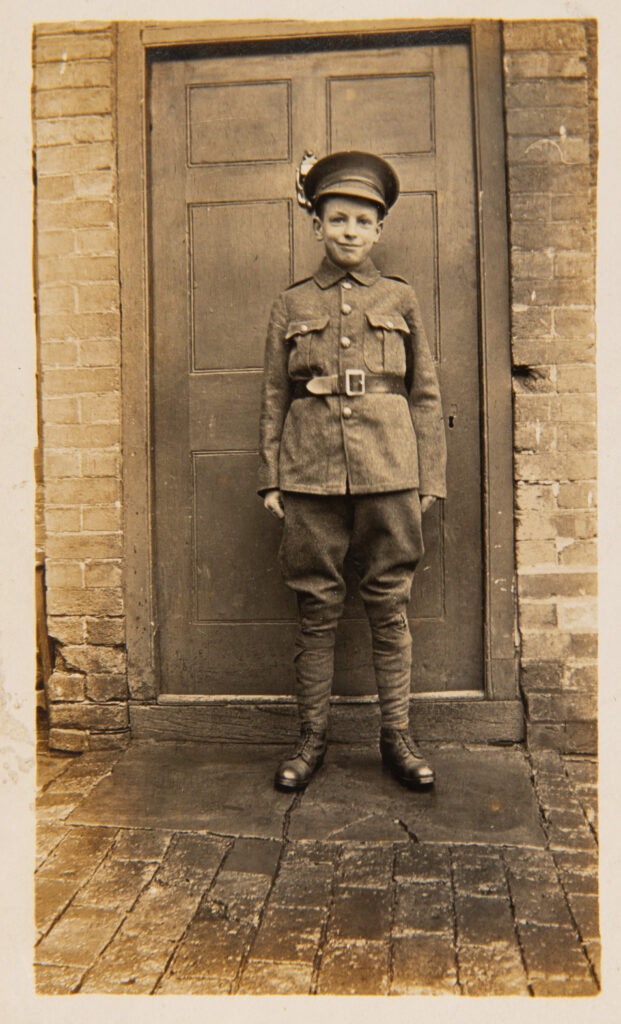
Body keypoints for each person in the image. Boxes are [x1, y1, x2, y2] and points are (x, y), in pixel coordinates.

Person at [258, 151, 446, 793]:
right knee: (316, 607)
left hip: (390, 470)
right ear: (316, 224)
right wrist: (272, 478)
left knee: (389, 605)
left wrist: (429, 479)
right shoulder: (291, 304)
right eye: (336, 218)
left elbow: (426, 394)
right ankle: (310, 741)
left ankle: (398, 737)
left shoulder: (401, 298)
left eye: (363, 221)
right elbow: (272, 398)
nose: (349, 231)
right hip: (309, 475)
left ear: (379, 229)